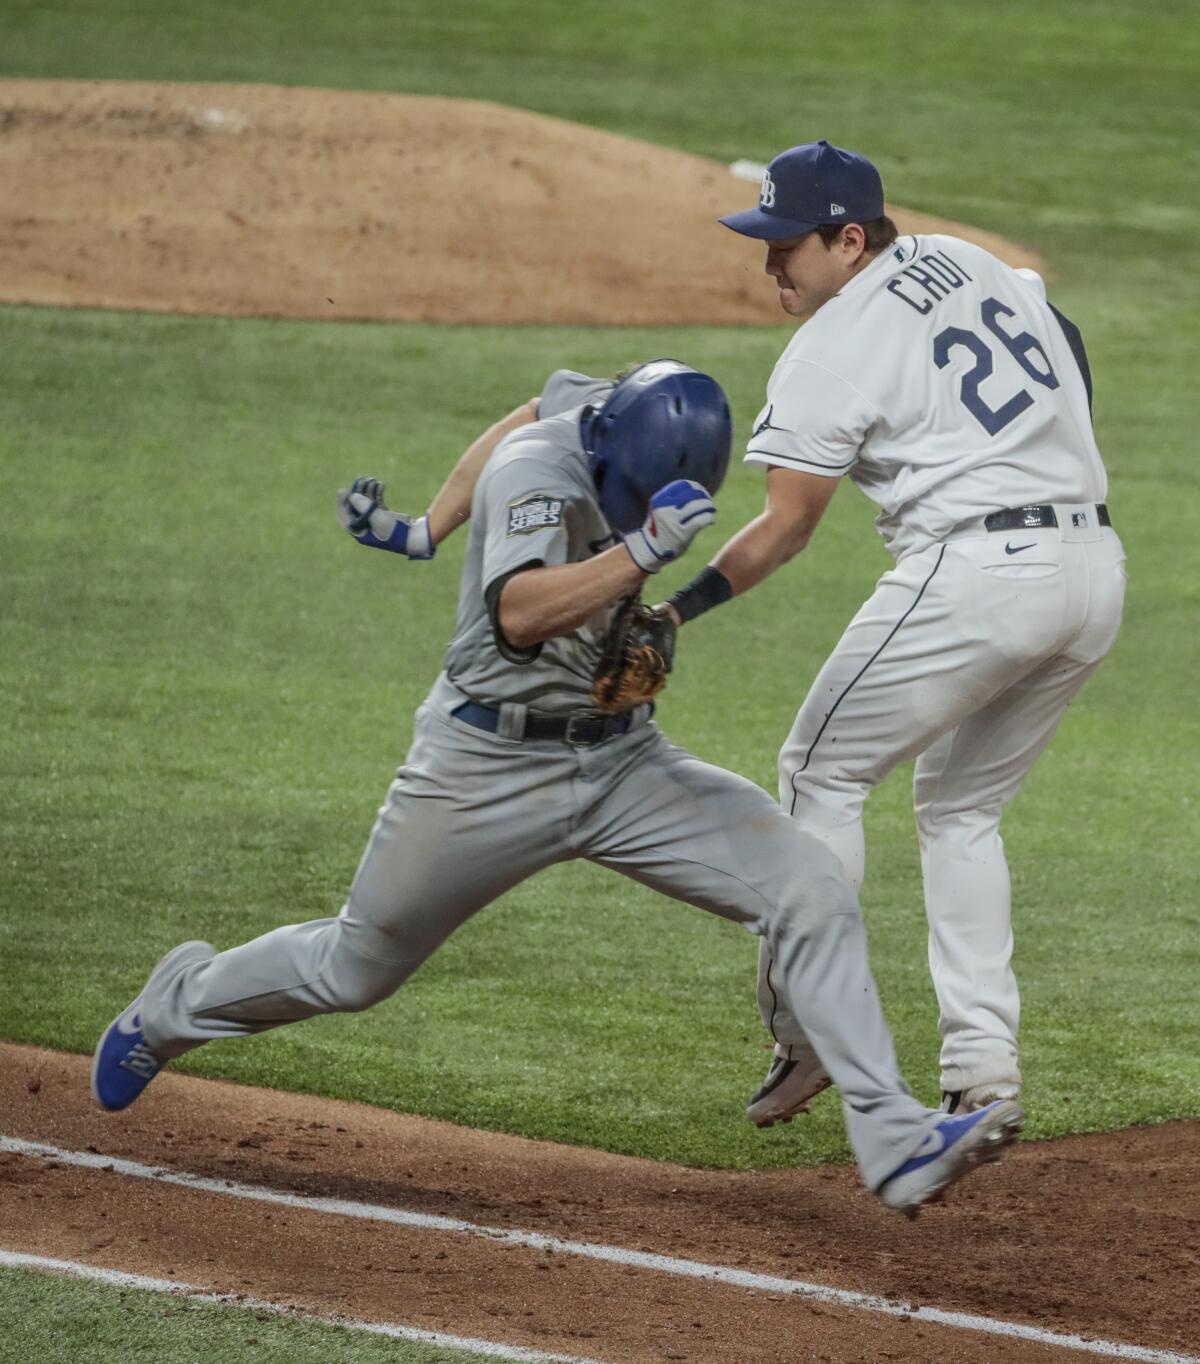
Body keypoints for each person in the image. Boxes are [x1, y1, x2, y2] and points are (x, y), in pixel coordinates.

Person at [91, 358, 1023, 1215]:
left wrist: (427, 526)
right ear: (605, 450)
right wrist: (639, 554)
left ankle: (893, 1137)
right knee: (354, 967)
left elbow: (530, 400)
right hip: (483, 771)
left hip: (623, 764)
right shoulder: (538, 474)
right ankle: (171, 1009)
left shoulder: (607, 405)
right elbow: (520, 615)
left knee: (810, 887)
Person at [658, 141, 1126, 1127]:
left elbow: (786, 526)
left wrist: (675, 610)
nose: (771, 264)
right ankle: (984, 1072)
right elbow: (1059, 326)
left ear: (849, 238)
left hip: (983, 577)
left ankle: (811, 1033)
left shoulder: (831, 346)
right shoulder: (970, 258)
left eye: (787, 244)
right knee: (960, 810)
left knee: (819, 772)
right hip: (1095, 574)